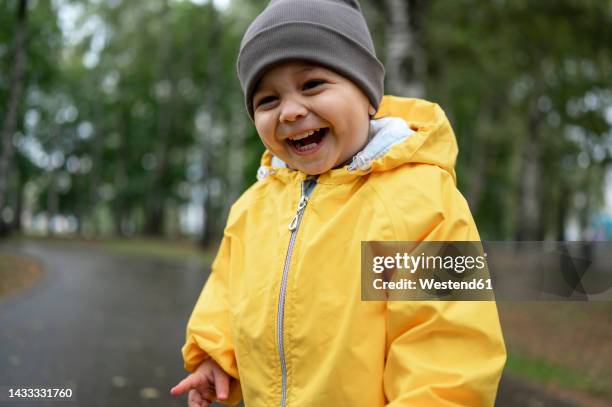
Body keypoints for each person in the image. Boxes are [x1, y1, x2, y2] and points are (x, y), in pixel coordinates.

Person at [171, 0, 506, 406]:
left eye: (312, 85)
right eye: (267, 101)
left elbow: (448, 347)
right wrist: (215, 354)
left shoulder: (422, 203)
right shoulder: (253, 207)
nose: (291, 111)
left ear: (367, 96)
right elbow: (226, 290)